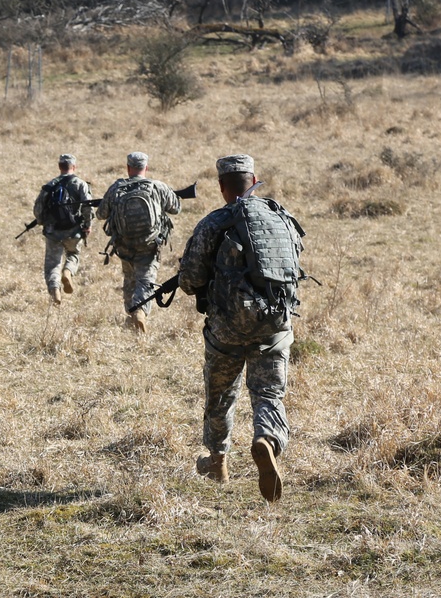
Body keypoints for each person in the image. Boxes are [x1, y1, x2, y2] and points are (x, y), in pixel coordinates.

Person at [177, 154, 306, 503]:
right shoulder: (282, 217)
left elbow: (190, 279)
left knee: (220, 393)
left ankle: (217, 461)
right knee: (268, 393)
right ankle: (268, 440)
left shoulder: (213, 223)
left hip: (227, 329)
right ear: (254, 180)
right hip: (274, 326)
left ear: (222, 187)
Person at [96, 151, 181, 332]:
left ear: (128, 168)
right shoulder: (156, 186)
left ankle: (130, 314)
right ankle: (140, 310)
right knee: (146, 280)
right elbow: (176, 208)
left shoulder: (116, 188)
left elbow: (101, 214)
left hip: (124, 245)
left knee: (130, 279)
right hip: (149, 245)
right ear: (146, 168)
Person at [32, 154, 94, 305]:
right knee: (73, 254)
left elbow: (38, 209)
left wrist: (42, 222)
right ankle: (68, 271)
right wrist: (87, 225)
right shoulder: (80, 184)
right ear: (74, 167)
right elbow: (88, 207)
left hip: (53, 232)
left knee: (52, 264)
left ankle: (55, 289)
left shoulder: (50, 185)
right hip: (74, 231)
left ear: (60, 166)